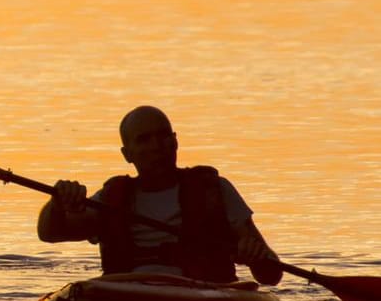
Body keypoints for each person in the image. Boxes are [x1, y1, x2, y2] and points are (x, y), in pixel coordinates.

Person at [39, 105, 284, 285]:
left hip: (203, 296)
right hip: (130, 300)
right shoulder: (110, 199)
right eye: (144, 140)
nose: (156, 146)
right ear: (128, 154)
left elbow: (272, 276)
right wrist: (57, 204)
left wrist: (256, 259)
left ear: (175, 142)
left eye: (163, 136)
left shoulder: (215, 190)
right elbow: (50, 233)